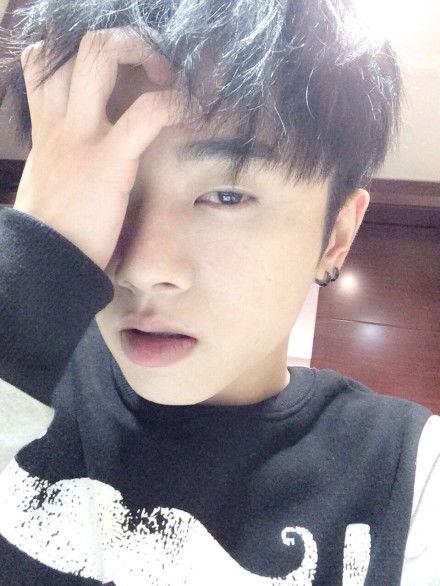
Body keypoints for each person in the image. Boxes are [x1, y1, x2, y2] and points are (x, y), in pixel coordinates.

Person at [0, 0, 438, 584]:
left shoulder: (410, 476)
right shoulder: (21, 367)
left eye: (227, 196)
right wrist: (33, 257)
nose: (141, 268)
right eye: (108, 188)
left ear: (335, 235)